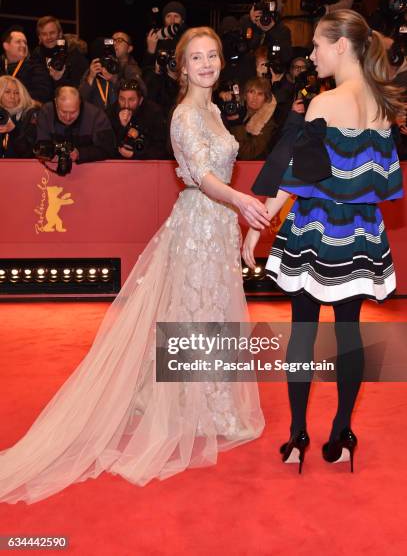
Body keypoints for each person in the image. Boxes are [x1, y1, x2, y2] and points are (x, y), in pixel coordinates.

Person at [0, 27, 267, 504]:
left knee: (214, 311)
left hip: (218, 225)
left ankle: (211, 401)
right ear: (182, 67)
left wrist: (238, 215)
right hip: (199, 225)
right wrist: (243, 203)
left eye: (213, 56)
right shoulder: (185, 115)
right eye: (196, 58)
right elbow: (205, 178)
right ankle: (190, 406)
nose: (206, 64)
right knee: (192, 310)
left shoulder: (213, 110)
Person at [243, 10, 404, 473]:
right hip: (359, 233)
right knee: (350, 332)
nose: (310, 55)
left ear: (340, 46)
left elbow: (297, 176)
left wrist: (261, 219)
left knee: (304, 330)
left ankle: (297, 435)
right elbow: (380, 180)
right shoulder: (381, 106)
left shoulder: (325, 103)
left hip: (317, 230)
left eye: (316, 45)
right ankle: (344, 431)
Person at [36, 86, 116, 164]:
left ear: (80, 104)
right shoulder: (46, 113)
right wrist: (48, 155)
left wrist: (80, 154)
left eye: (73, 112)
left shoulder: (97, 117)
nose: (68, 118)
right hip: (51, 169)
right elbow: (39, 145)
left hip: (88, 169)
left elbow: (107, 150)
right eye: (63, 112)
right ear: (56, 104)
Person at [0, 75, 39, 158]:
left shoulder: (31, 114)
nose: (12, 97)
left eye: (17, 93)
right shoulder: (3, 114)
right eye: (7, 92)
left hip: (22, 166)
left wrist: (13, 130)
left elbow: (28, 152)